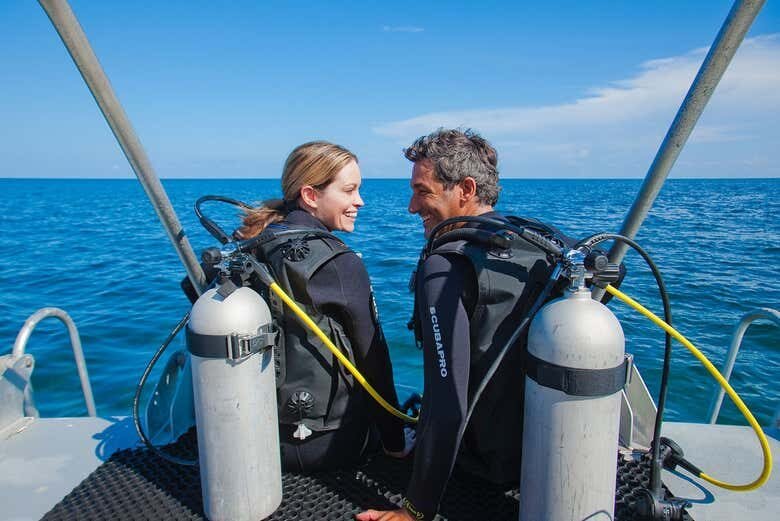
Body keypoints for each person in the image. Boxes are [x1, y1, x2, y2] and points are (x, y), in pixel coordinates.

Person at [357, 129, 575, 521]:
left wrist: (415, 510)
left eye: (422, 191)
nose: (410, 207)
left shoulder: (446, 266)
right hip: (540, 455)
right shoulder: (541, 246)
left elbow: (447, 401)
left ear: (466, 188)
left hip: (480, 468)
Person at [185, 141, 413, 472]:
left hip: (250, 436)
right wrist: (394, 443)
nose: (359, 201)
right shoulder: (338, 263)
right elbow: (373, 360)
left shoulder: (246, 246)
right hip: (329, 443)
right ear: (310, 195)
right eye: (349, 190)